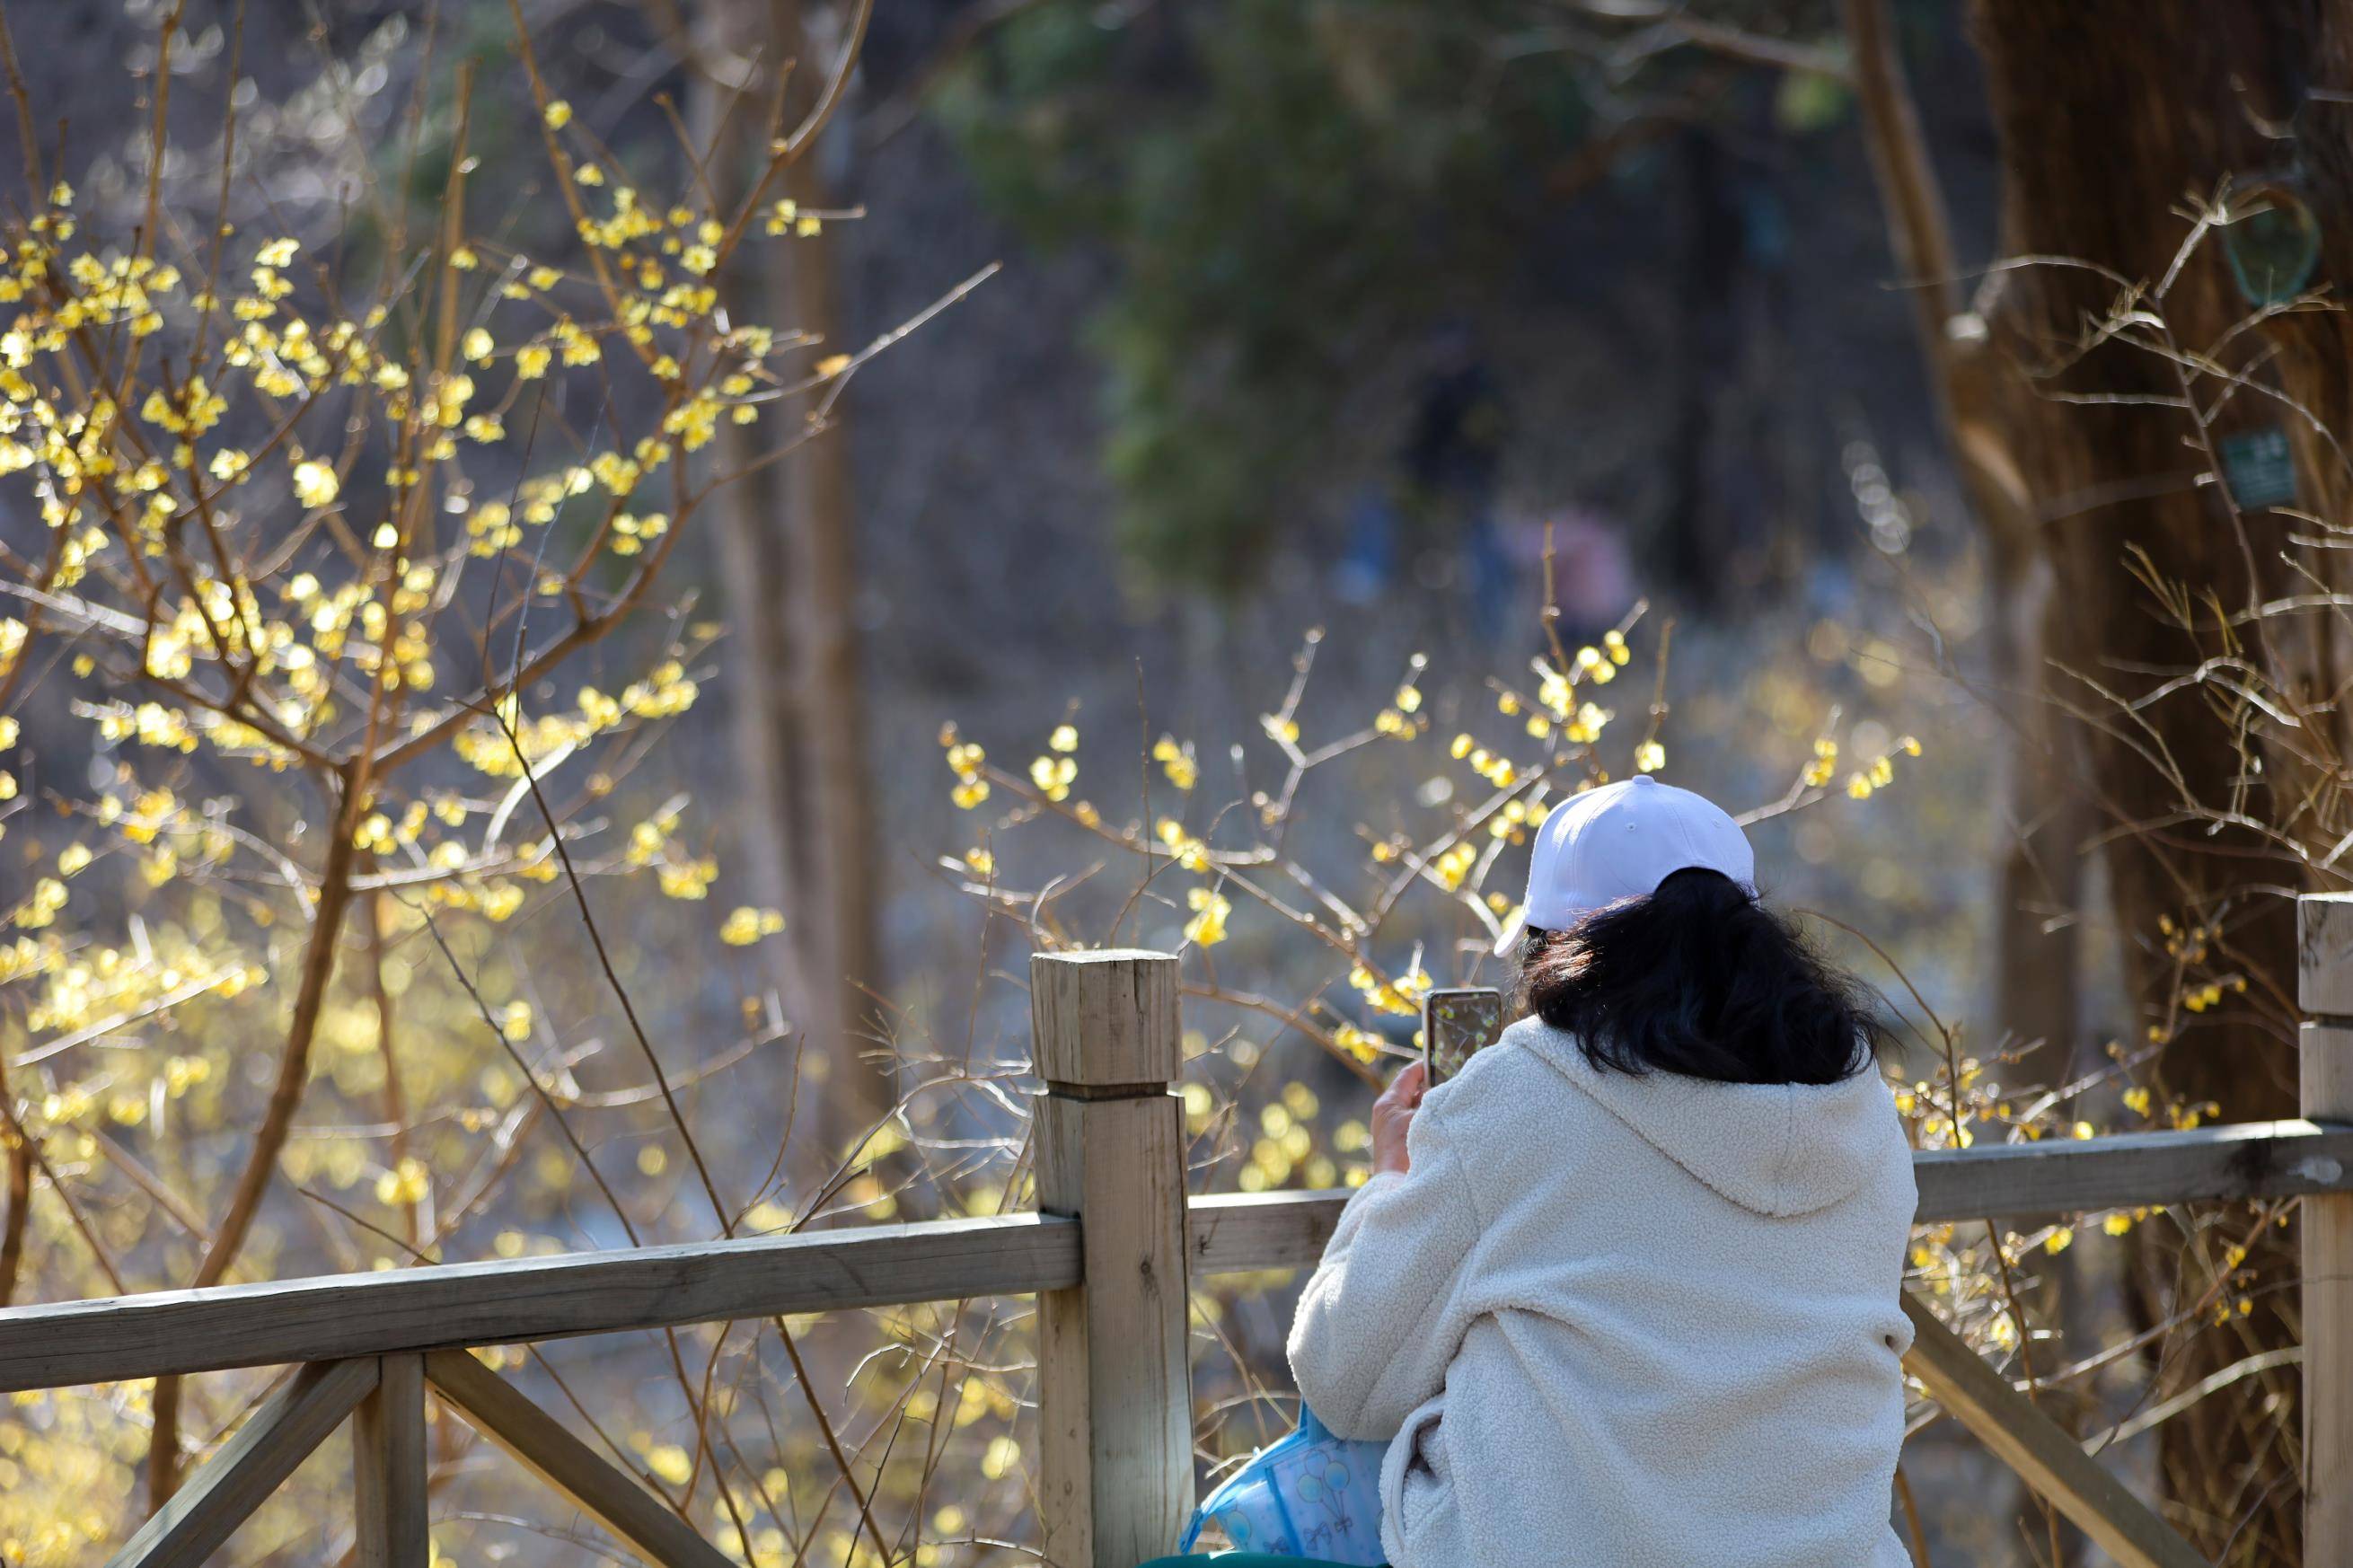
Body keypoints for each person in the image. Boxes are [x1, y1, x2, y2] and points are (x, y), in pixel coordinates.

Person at [1282, 775, 1915, 1568]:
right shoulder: (1862, 1113)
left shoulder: (1517, 1100)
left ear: (1559, 947)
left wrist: (1392, 1181)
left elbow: (1345, 1377)